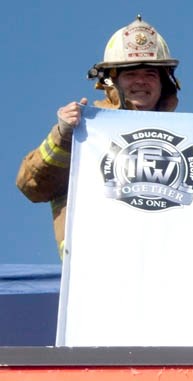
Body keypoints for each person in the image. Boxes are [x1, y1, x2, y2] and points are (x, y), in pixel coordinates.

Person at [15, 15, 181, 259]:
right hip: (94, 270)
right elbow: (33, 187)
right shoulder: (84, 132)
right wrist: (63, 135)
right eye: (130, 74)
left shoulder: (184, 136)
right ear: (111, 81)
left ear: (165, 82)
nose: (141, 81)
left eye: (150, 74)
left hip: (163, 269)